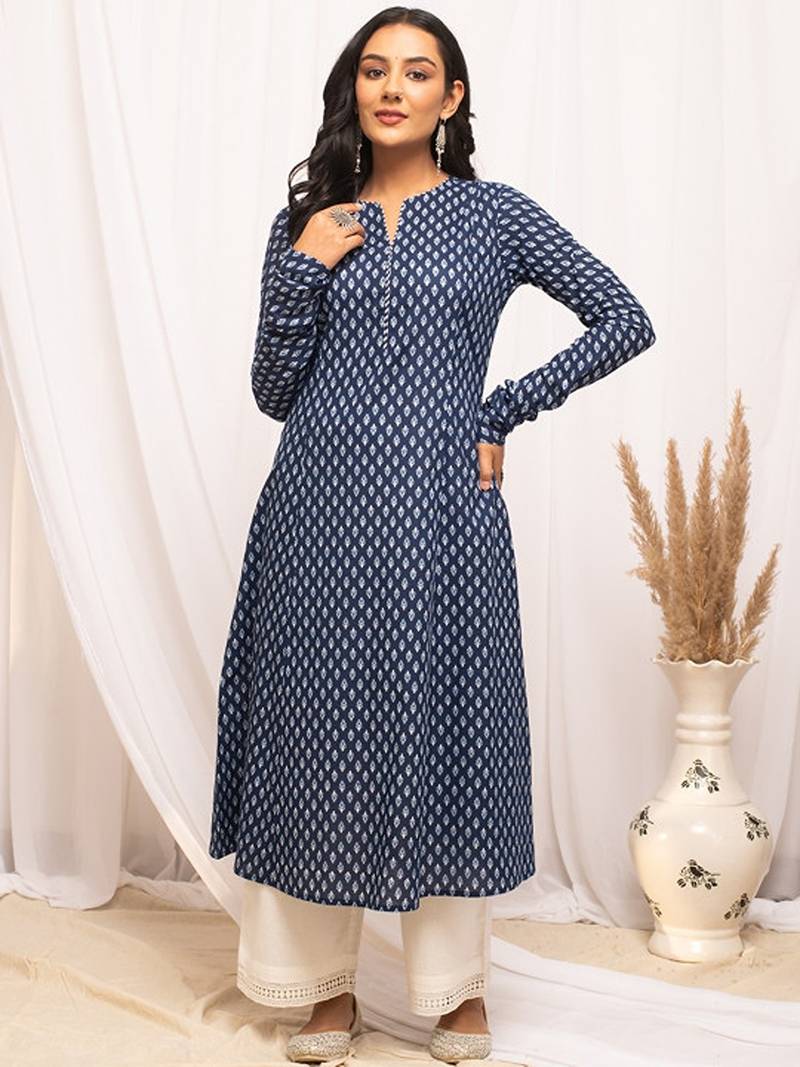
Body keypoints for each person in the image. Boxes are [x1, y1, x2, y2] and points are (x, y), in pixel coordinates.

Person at [209, 7, 656, 1063]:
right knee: (314, 728)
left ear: (451, 98)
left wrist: (501, 410)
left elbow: (622, 317)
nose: (392, 88)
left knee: (447, 725)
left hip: (442, 512)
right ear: (353, 89)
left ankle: (455, 991)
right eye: (374, 70)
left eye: (417, 73)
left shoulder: (493, 215)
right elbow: (274, 391)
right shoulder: (309, 222)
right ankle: (323, 990)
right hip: (317, 508)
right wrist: (305, 265)